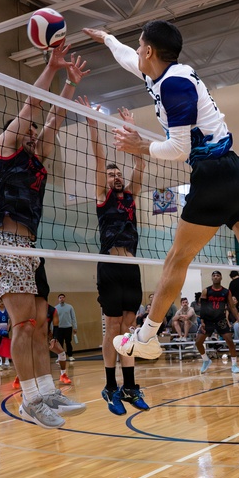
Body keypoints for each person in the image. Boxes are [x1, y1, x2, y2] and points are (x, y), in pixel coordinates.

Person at [82, 21, 239, 384]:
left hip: (212, 175)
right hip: (238, 172)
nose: (136, 52)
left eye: (139, 45)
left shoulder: (174, 85)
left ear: (149, 51)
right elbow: (128, 59)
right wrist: (107, 39)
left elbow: (178, 149)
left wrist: (139, 147)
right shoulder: (160, 71)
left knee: (177, 259)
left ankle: (146, 338)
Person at [0, 44, 88, 428]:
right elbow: (32, 105)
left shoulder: (37, 157)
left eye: (33, 129)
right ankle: (31, 399)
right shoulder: (5, 150)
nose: (33, 130)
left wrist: (69, 87)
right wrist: (51, 68)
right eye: (29, 126)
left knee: (41, 325)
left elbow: (55, 118)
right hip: (6, 244)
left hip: (31, 248)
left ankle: (47, 391)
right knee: (23, 326)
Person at [83, 101, 149, 416]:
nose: (115, 177)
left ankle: (130, 387)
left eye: (117, 173)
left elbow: (141, 163)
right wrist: (93, 126)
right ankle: (110, 386)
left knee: (128, 327)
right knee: (112, 327)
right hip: (109, 265)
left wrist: (132, 129)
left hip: (131, 267)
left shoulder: (131, 196)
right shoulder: (102, 197)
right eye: (111, 175)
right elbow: (97, 159)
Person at [195, 271, 239, 376]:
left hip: (220, 319)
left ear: (221, 278)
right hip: (208, 320)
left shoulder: (226, 292)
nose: (216, 277)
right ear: (211, 278)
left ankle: (234, 365)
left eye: (218, 275)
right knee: (198, 342)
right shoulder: (206, 291)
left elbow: (232, 307)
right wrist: (202, 320)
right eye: (214, 275)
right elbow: (202, 307)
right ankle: (206, 360)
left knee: (230, 341)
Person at [52, 293, 77, 362]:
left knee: (68, 342)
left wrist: (75, 327)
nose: (62, 299)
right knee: (60, 343)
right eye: (60, 298)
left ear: (64, 298)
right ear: (58, 299)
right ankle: (60, 357)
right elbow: (53, 319)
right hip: (59, 328)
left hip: (68, 327)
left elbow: (73, 317)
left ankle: (70, 356)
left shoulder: (70, 307)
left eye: (63, 297)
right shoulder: (55, 308)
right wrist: (53, 329)